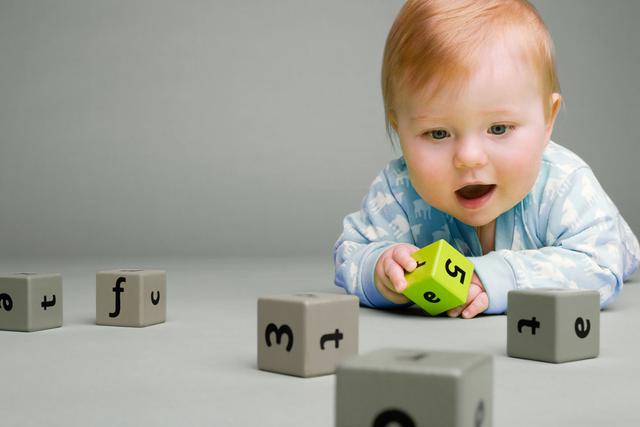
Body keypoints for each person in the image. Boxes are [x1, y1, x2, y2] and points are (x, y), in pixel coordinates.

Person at [333, 0, 640, 318]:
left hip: (611, 240)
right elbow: (350, 252)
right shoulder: (398, 190)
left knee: (616, 248)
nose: (469, 158)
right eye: (438, 133)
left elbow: (600, 263)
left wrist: (493, 277)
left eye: (498, 128)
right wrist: (380, 268)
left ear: (547, 120)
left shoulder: (563, 183)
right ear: (401, 129)